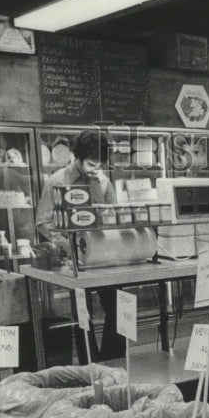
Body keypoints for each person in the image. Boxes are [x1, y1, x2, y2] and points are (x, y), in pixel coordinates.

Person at [36, 129, 127, 362]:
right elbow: (43, 222)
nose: (94, 169)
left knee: (120, 306)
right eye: (89, 164)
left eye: (99, 165)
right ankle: (90, 364)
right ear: (77, 157)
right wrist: (67, 244)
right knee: (83, 314)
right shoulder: (58, 181)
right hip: (73, 259)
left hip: (104, 257)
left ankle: (112, 361)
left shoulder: (104, 182)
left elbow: (114, 217)